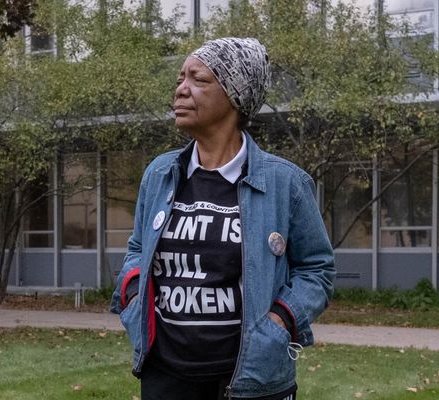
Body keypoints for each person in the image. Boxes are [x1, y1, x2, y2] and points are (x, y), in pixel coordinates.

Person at [109, 37, 335, 400]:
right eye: (180, 78)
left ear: (235, 95)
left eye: (198, 80)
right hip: (166, 374)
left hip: (253, 378)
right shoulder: (160, 174)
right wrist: (134, 296)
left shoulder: (285, 183)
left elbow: (317, 270)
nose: (181, 90)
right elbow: (137, 249)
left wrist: (281, 321)